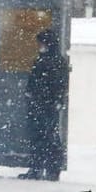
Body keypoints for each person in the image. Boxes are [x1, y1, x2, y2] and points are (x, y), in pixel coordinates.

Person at [24, 26, 70, 180]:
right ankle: (48, 168)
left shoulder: (49, 61)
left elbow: (55, 84)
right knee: (47, 136)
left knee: (45, 136)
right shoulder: (54, 60)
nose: (40, 46)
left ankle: (43, 168)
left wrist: (35, 95)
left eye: (42, 43)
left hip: (45, 104)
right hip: (45, 104)